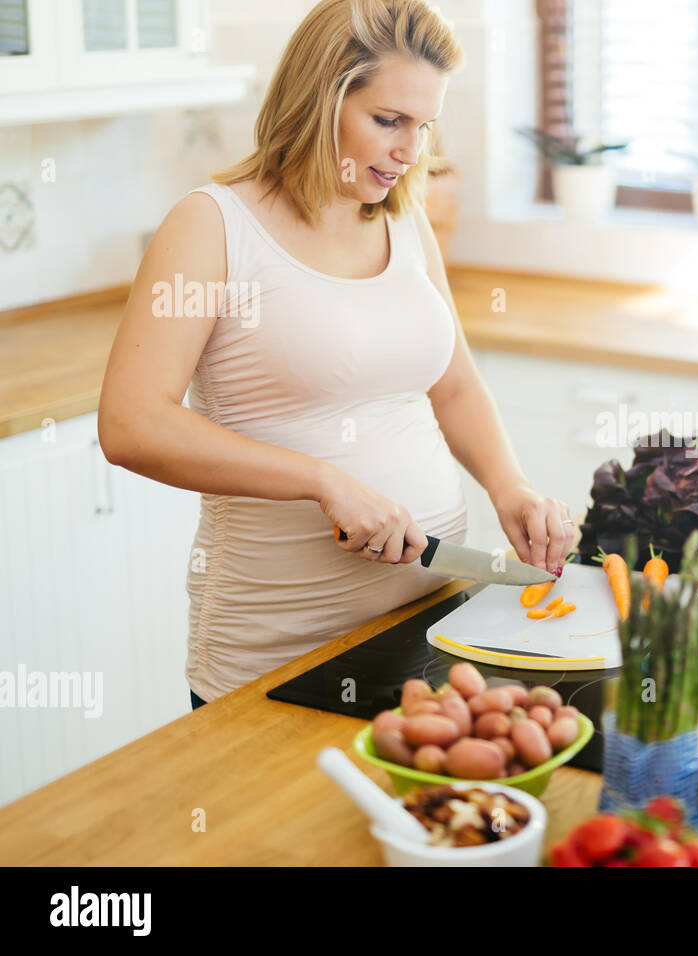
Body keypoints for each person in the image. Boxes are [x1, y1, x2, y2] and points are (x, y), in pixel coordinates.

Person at [97, 0, 574, 709]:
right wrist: (322, 480)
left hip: (429, 628)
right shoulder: (213, 224)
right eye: (389, 121)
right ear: (321, 98)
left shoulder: (405, 219)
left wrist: (511, 488)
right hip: (278, 654)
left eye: (424, 126)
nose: (411, 152)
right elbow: (132, 425)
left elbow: (455, 386)